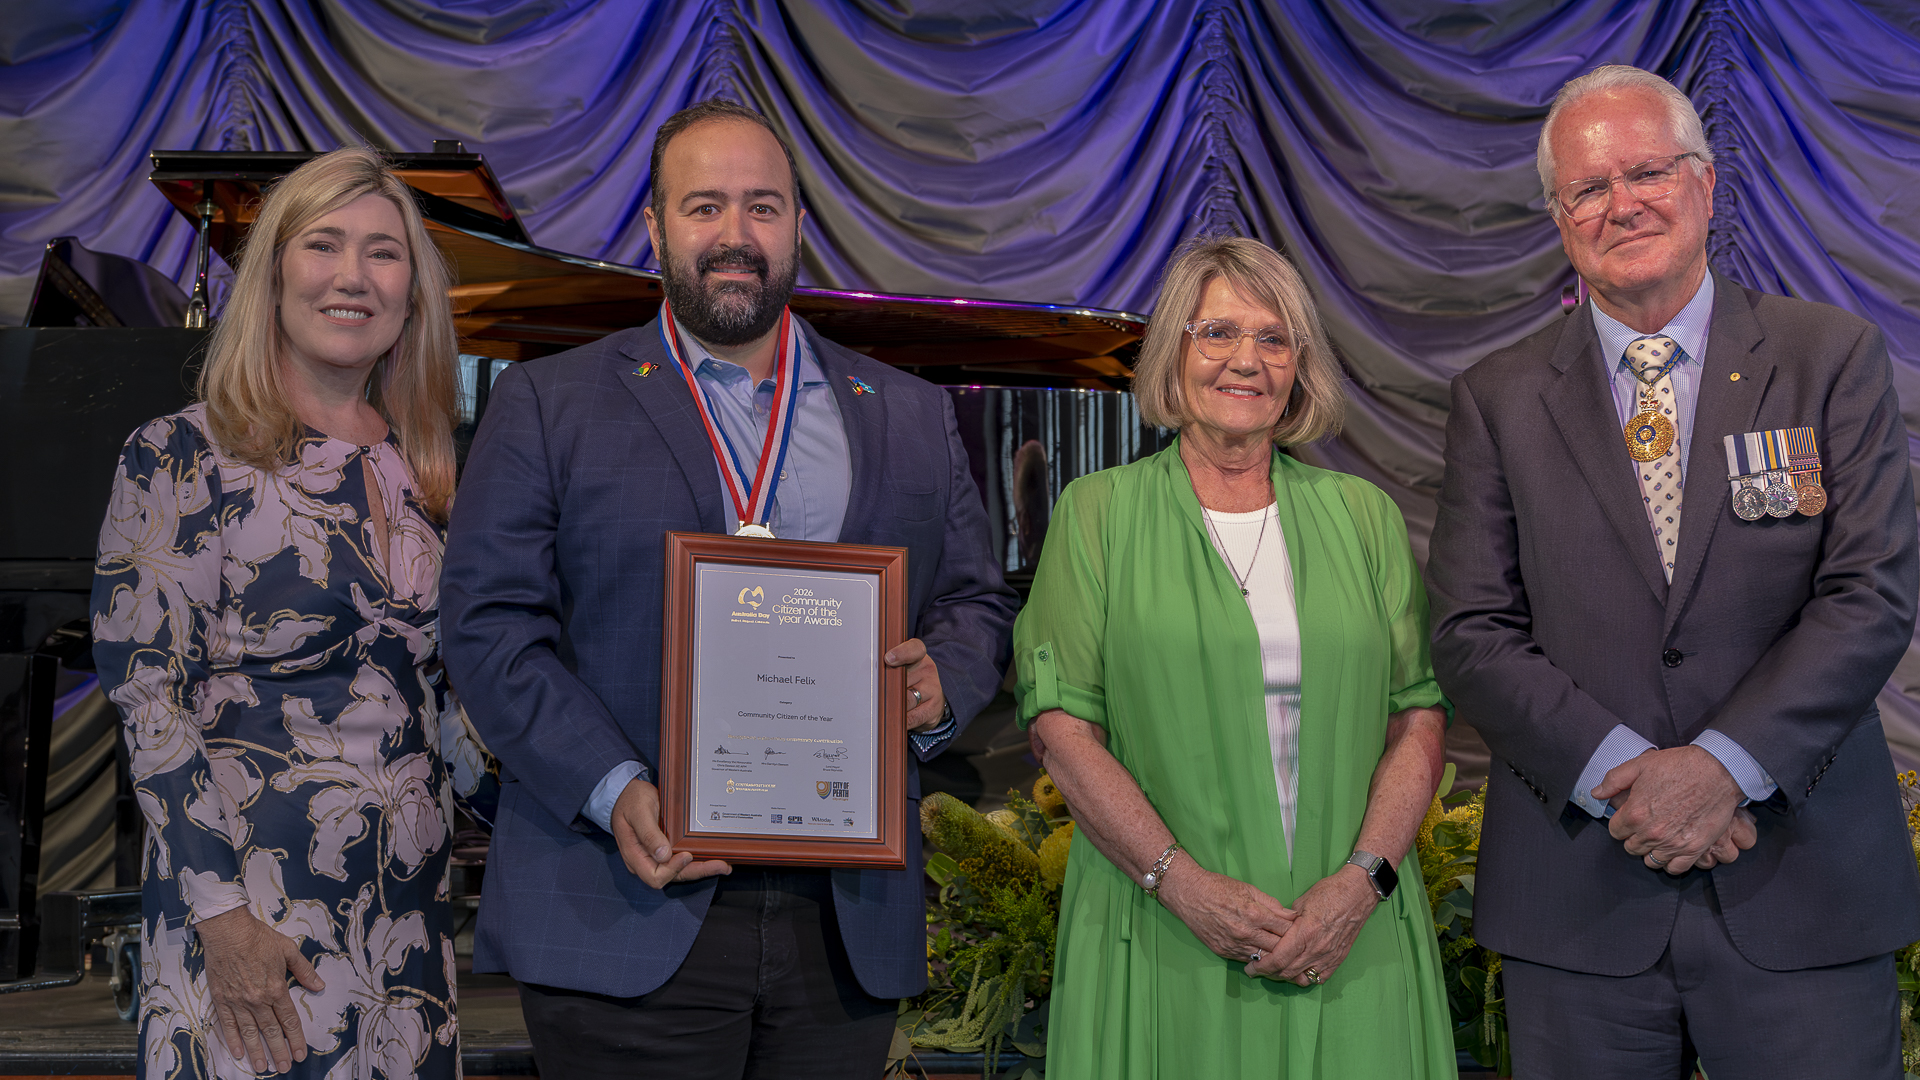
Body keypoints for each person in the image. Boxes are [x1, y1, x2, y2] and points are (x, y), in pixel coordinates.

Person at [437, 99, 1018, 1079]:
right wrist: (614, 790)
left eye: (762, 206)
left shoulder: (911, 414)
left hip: (844, 922)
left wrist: (942, 686)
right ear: (657, 228)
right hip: (624, 894)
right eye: (704, 206)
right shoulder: (549, 402)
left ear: (798, 226)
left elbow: (975, 602)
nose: (736, 234)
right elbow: (490, 626)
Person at [1427, 65, 1920, 1079]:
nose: (1623, 204)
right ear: (1559, 217)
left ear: (1704, 181)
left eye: (1647, 171)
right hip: (1581, 898)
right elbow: (1472, 632)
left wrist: (1721, 768)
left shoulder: (1829, 356)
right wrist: (1629, 780)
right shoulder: (1497, 397)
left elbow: (1869, 593)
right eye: (1589, 187)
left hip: (1802, 883)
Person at [92, 146, 490, 1080]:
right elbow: (150, 701)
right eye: (323, 244)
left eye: (384, 253)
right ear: (272, 276)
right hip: (253, 910)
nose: (354, 276)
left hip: (407, 920)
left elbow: (451, 701)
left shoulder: (431, 475)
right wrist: (224, 919)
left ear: (413, 296)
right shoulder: (183, 455)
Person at [1015, 235, 1456, 1078]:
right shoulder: (1096, 514)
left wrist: (1362, 882)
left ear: (1301, 364)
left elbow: (1418, 716)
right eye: (1216, 332)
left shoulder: (1363, 515)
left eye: (1274, 338)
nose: (1246, 360)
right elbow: (1062, 730)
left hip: (1348, 929)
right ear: (1172, 351)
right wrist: (1181, 884)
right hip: (1162, 923)